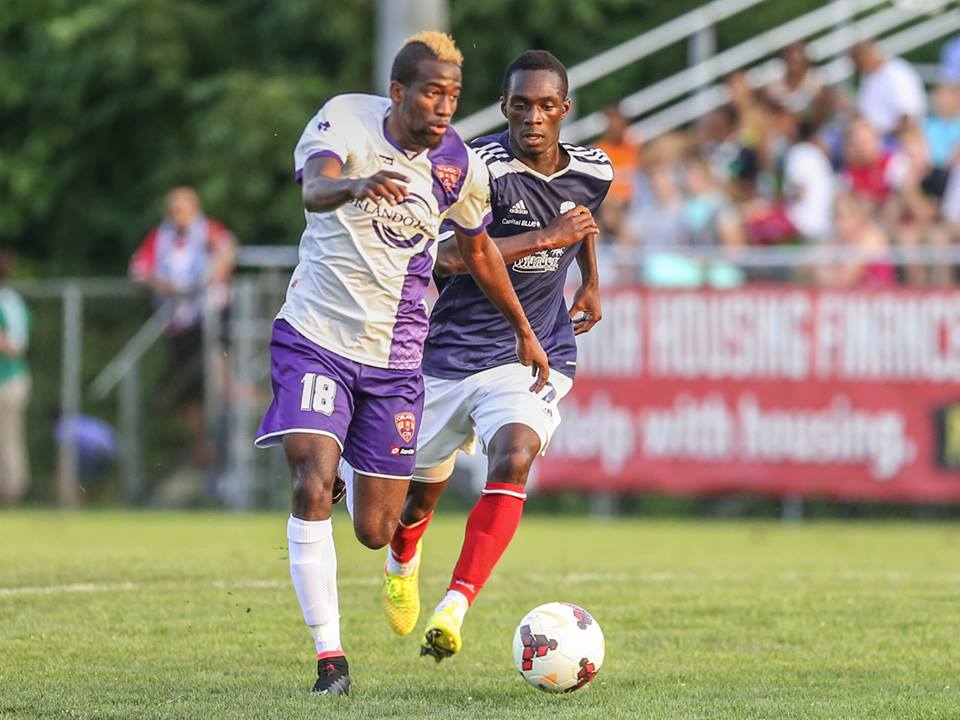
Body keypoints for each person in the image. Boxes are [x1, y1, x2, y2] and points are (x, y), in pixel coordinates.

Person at [252, 32, 549, 695]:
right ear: (398, 92)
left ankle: (382, 521)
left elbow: (477, 253)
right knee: (308, 476)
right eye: (431, 91)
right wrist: (358, 184)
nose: (444, 106)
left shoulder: (459, 168)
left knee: (373, 528)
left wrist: (525, 332)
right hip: (315, 337)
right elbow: (317, 189)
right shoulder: (345, 119)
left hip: (393, 360)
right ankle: (331, 659)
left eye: (453, 94)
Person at [376, 50, 610, 662]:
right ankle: (405, 555)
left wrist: (590, 279)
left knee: (515, 454)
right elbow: (448, 257)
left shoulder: (595, 167)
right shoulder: (470, 165)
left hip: (535, 351)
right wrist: (544, 240)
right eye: (519, 105)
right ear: (504, 107)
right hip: (450, 353)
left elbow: (582, 220)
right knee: (415, 500)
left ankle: (454, 606)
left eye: (545, 106)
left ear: (565, 109)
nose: (532, 117)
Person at [129, 187, 236, 473]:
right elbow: (138, 270)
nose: (178, 215)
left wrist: (210, 275)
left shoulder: (207, 231)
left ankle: (227, 428)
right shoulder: (161, 237)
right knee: (191, 391)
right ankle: (202, 445)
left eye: (183, 208)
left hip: (212, 318)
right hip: (180, 324)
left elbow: (227, 250)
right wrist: (162, 285)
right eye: (173, 209)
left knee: (220, 373)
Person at [0, 252, 31, 506]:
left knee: (8, 439)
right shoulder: (11, 301)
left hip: (7, 379)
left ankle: (12, 493)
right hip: (12, 379)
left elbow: (14, 346)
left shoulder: (8, 302)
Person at [851, 40, 926, 138]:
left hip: (896, 138)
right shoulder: (867, 77)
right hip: (876, 138)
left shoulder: (897, 73)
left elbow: (908, 119)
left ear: (865, 56)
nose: (855, 67)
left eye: (857, 61)